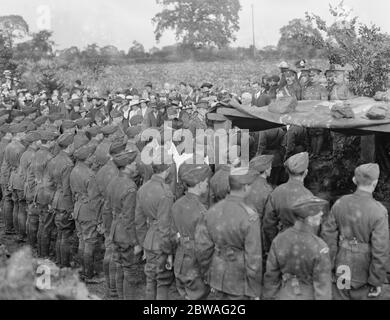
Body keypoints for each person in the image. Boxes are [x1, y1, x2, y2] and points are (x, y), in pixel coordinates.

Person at [321, 163, 390, 300]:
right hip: (364, 272)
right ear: (375, 183)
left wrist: (329, 268)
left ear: (354, 180)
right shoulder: (379, 211)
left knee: (341, 295)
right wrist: (376, 281)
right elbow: (380, 250)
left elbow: (328, 238)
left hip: (342, 266)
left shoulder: (340, 203)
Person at [195, 167, 262, 300]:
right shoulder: (250, 216)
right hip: (239, 280)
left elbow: (202, 248)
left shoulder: (212, 211)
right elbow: (253, 259)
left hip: (216, 273)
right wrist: (254, 289)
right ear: (245, 187)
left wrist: (207, 272)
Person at [263, 196, 332, 300]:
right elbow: (322, 285)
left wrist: (269, 297)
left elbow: (271, 277)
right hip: (309, 295)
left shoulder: (279, 240)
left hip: (285, 294)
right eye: (318, 212)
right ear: (309, 219)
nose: (321, 214)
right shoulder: (319, 246)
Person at [135, 147, 175, 300]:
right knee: (162, 282)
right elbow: (165, 227)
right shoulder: (165, 193)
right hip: (161, 243)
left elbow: (138, 221)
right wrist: (168, 252)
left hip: (148, 240)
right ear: (167, 168)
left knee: (150, 279)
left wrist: (143, 242)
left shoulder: (143, 189)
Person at [171, 164, 212, 300]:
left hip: (180, 259)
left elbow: (172, 234)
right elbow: (204, 247)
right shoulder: (202, 211)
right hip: (195, 263)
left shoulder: (177, 204)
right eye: (206, 181)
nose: (207, 184)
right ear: (200, 184)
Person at [106, 150, 141, 300]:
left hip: (115, 230)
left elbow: (107, 209)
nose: (135, 165)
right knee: (130, 273)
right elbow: (129, 218)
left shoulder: (113, 181)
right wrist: (136, 241)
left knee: (119, 266)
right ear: (126, 166)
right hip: (126, 235)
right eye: (133, 163)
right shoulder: (130, 187)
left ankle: (117, 296)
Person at [263, 152, 313, 253]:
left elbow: (268, 224)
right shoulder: (309, 196)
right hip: (302, 247)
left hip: (281, 243)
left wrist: (274, 242)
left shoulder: (276, 192)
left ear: (287, 171)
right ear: (306, 172)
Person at [70, 141, 104, 283]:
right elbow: (95, 200)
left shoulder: (74, 170)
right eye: (91, 156)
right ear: (87, 158)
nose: (94, 158)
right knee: (89, 243)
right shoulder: (89, 175)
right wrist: (99, 220)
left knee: (82, 242)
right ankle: (89, 275)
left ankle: (82, 271)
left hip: (78, 209)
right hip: (88, 211)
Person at [48, 132, 75, 268]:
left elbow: (51, 182)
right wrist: (71, 209)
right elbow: (67, 190)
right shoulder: (68, 164)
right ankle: (64, 265)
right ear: (70, 146)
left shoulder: (54, 159)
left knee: (60, 233)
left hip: (55, 199)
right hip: (64, 203)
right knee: (65, 234)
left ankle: (59, 261)